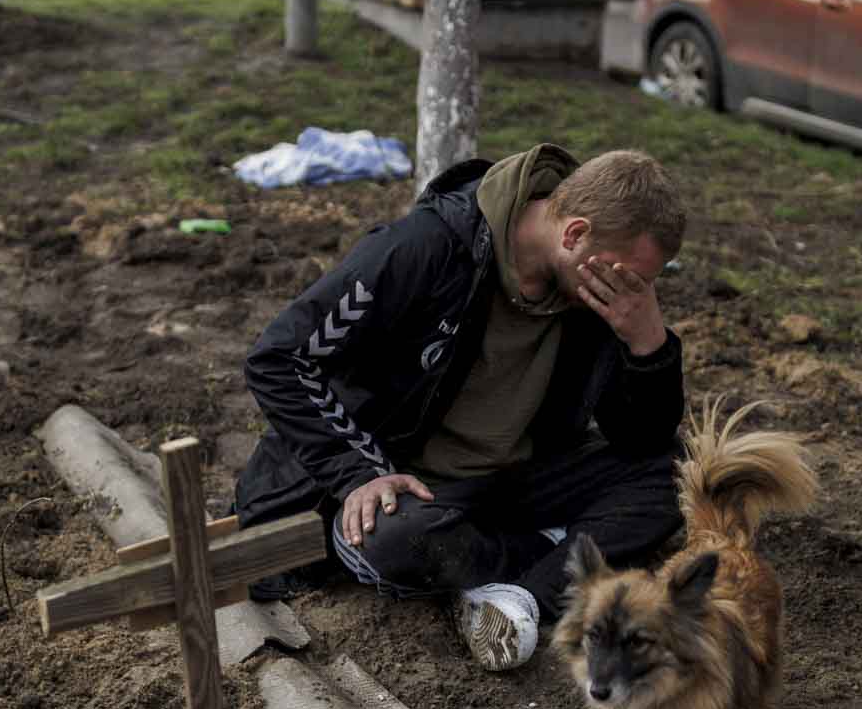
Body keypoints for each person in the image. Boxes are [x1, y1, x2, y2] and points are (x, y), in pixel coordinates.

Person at [231, 145, 688, 672]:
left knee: (680, 472)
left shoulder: (597, 292)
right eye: (629, 276)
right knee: (394, 539)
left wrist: (649, 344)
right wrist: (357, 473)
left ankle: (518, 596)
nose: (635, 292)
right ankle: (551, 555)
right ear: (573, 234)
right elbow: (279, 358)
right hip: (408, 486)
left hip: (515, 481)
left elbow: (641, 439)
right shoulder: (427, 250)